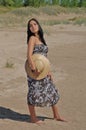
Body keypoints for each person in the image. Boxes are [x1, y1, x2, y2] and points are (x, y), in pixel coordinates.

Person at [26, 18, 65, 124]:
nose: (33, 26)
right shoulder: (32, 38)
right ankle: (33, 118)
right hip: (34, 69)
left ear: (38, 25)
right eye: (30, 25)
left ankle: (56, 115)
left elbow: (45, 57)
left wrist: (48, 71)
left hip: (43, 69)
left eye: (35, 24)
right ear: (29, 29)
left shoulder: (41, 39)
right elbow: (29, 55)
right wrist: (34, 69)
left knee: (51, 90)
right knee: (33, 92)